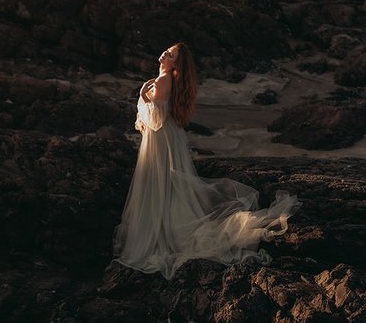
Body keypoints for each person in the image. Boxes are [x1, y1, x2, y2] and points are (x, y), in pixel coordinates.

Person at [112, 42, 300, 279]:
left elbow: (156, 119)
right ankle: (165, 226)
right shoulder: (171, 81)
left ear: (175, 63)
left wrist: (142, 96)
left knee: (162, 184)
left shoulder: (162, 81)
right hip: (169, 137)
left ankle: (162, 233)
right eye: (167, 50)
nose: (164, 53)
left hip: (160, 139)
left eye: (170, 54)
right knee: (169, 185)